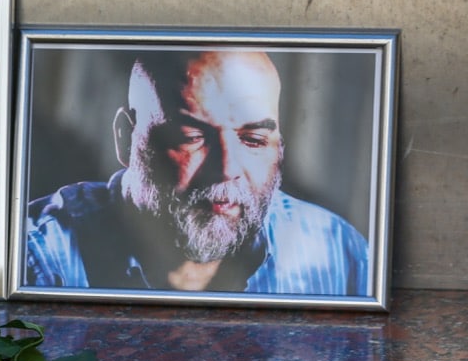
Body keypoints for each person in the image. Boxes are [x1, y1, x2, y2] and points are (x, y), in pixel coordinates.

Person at [24, 50, 369, 295]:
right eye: (190, 138)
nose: (227, 169)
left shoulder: (338, 252)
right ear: (125, 139)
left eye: (253, 140)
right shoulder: (36, 259)